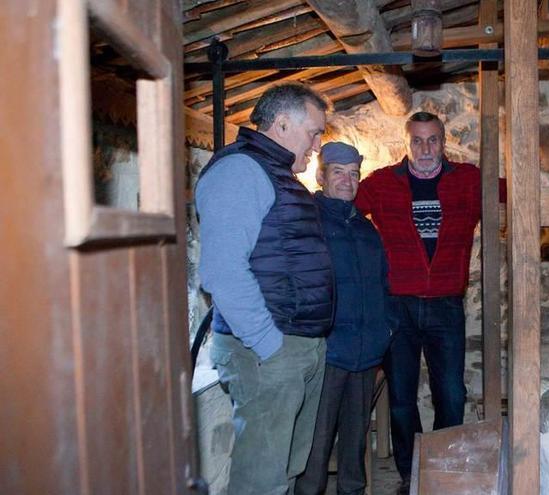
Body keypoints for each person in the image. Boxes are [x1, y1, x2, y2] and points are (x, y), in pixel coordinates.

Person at [196, 83, 333, 495]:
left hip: (295, 344)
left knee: (283, 472)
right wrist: (269, 345)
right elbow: (222, 272)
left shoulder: (278, 175)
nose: (317, 144)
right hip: (267, 349)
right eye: (314, 132)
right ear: (282, 123)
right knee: (261, 481)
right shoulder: (240, 171)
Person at [355, 111, 482, 493]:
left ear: (444, 142)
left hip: (446, 304)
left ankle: (441, 469)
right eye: (417, 141)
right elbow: (342, 209)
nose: (425, 149)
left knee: (451, 393)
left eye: (433, 140)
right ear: (406, 144)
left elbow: (515, 191)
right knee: (401, 398)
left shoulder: (469, 180)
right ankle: (412, 474)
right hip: (398, 306)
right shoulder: (381, 183)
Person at [295, 142, 391, 495]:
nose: (347, 181)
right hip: (327, 354)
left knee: (355, 445)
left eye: (354, 174)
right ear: (321, 176)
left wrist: (386, 333)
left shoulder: (367, 230)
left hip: (365, 355)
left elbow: (383, 286)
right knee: (315, 447)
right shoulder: (309, 223)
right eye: (338, 172)